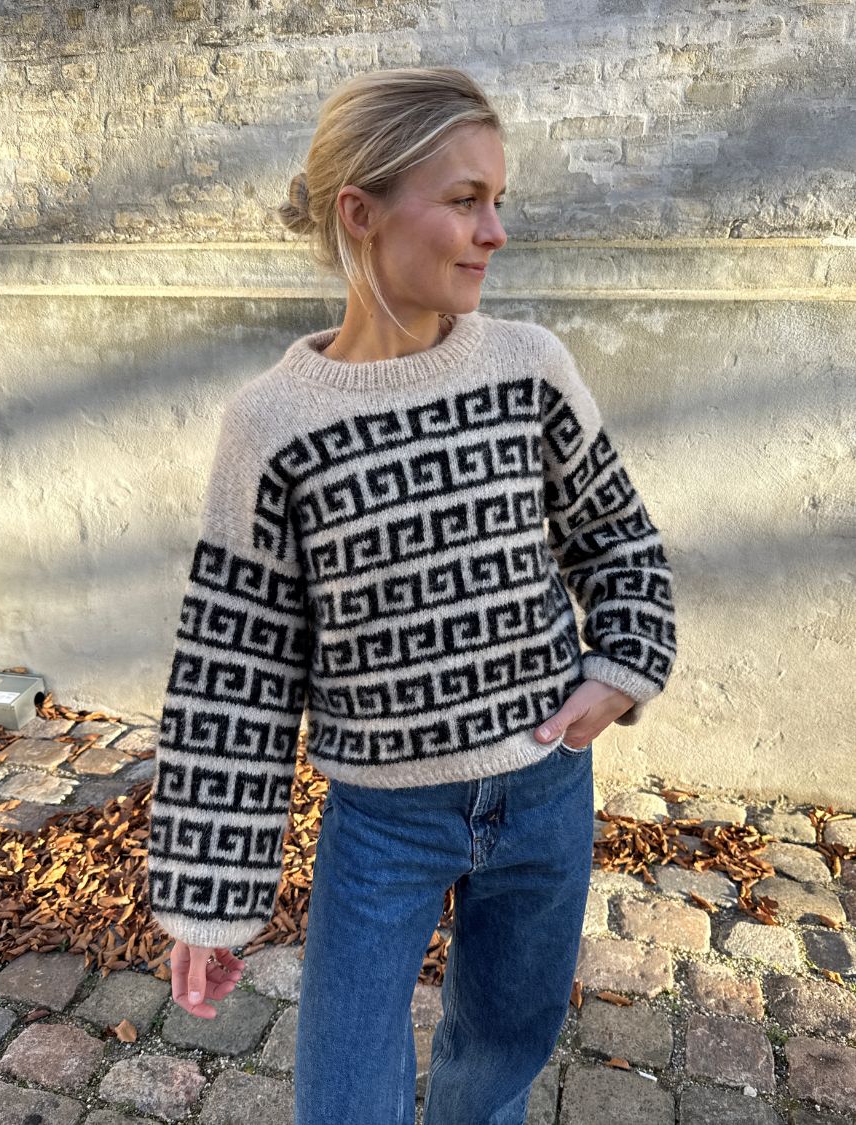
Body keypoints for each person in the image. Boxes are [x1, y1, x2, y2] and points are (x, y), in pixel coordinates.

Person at [144, 65, 677, 1125]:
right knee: (343, 1092)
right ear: (362, 213)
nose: (495, 231)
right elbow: (235, 672)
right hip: (383, 822)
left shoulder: (529, 368)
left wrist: (622, 668)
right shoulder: (273, 426)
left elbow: (617, 535)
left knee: (501, 1055)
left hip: (545, 792)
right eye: (466, 199)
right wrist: (209, 902)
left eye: (499, 200)